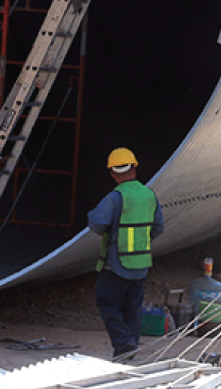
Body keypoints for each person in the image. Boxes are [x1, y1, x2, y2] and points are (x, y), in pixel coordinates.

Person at [87, 147, 164, 360]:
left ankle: (124, 345)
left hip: (117, 263)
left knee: (106, 302)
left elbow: (97, 223)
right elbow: (158, 228)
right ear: (135, 169)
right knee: (132, 308)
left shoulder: (115, 197)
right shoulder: (149, 195)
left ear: (112, 173)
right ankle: (129, 349)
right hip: (141, 263)